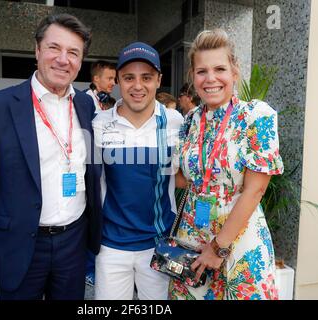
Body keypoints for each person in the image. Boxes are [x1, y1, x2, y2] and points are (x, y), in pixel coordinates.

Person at [0, 13, 102, 300]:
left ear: (80, 62)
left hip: (73, 241)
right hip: (19, 242)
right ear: (37, 50)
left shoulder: (86, 105)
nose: (63, 59)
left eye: (73, 52)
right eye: (54, 48)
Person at [170, 29, 284, 300]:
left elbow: (255, 190)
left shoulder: (256, 116)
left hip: (239, 242)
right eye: (201, 71)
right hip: (192, 239)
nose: (210, 79)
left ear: (234, 71)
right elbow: (183, 179)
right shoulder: (189, 121)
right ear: (192, 76)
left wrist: (217, 248)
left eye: (219, 68)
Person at [92, 42, 184, 300]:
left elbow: (183, 177)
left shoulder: (174, 122)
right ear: (119, 80)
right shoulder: (100, 123)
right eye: (129, 77)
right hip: (110, 246)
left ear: (159, 80)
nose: (138, 85)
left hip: (158, 245)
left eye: (147, 77)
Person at [84, 60, 116, 286]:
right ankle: (88, 269)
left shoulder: (103, 103)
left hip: (102, 168)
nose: (112, 83)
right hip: (89, 170)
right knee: (90, 219)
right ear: (96, 79)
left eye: (115, 79)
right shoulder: (85, 102)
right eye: (109, 79)